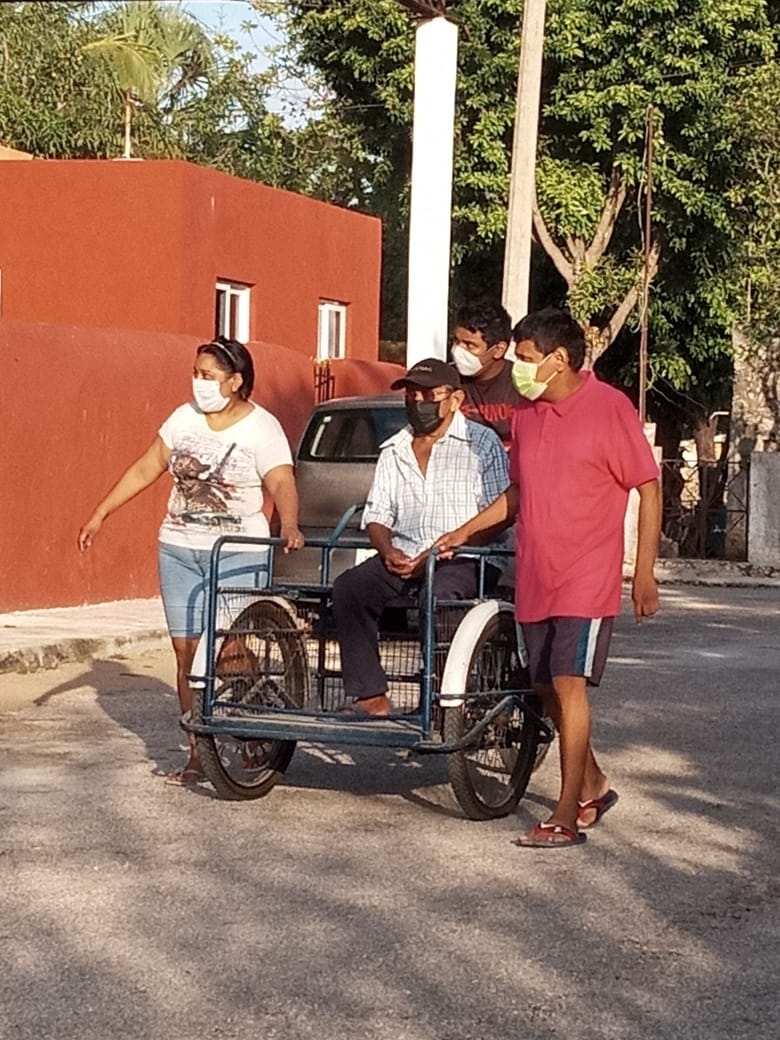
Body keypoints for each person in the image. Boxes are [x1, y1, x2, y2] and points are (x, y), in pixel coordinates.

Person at [436, 308, 661, 847]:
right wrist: (462, 532)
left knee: (568, 682)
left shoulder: (610, 408)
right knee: (542, 685)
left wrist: (644, 571)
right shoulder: (529, 417)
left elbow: (648, 486)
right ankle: (594, 783)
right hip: (535, 572)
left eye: (527, 359)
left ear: (559, 360)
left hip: (587, 574)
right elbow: (518, 494)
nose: (518, 368)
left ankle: (564, 814)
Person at [78, 336, 303, 785]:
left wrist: (291, 524)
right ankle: (199, 749)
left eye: (209, 376)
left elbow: (280, 481)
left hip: (236, 550)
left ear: (236, 381)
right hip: (179, 549)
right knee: (185, 655)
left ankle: (251, 719)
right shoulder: (183, 419)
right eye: (196, 373)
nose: (199, 383)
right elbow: (148, 466)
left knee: (227, 651)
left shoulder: (262, 427)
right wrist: (101, 512)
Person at [332, 357, 512, 718]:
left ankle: (445, 697)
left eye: (428, 394)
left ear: (454, 400)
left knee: (439, 595)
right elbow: (378, 514)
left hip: (468, 556)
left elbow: (499, 514)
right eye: (411, 394)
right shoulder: (394, 449)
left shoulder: (482, 443)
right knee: (349, 588)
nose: (418, 402)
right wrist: (387, 551)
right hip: (406, 554)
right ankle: (371, 696)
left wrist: (445, 549)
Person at [450, 298, 517, 447]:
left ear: (499, 350)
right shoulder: (448, 380)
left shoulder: (521, 384)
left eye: (470, 345)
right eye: (456, 341)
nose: (459, 350)